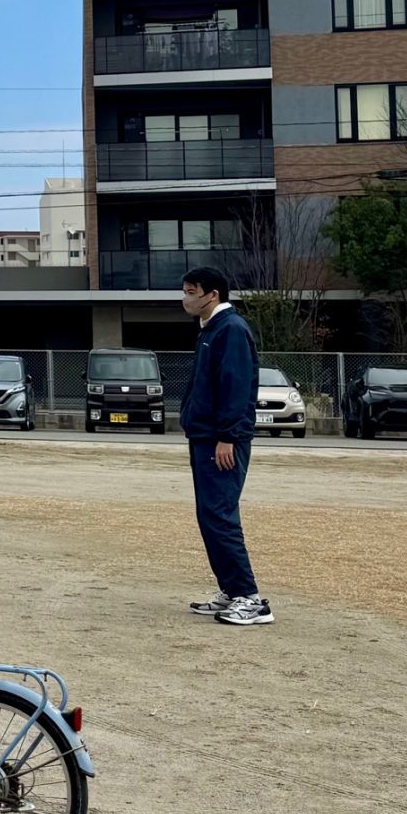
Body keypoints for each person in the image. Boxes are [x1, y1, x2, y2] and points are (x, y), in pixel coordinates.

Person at [178, 265, 270, 626]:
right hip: (205, 436)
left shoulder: (230, 330)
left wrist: (228, 436)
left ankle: (250, 598)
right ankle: (232, 591)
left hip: (221, 440)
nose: (185, 298)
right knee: (210, 516)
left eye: (190, 291)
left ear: (211, 294)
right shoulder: (211, 330)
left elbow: (235, 386)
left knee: (220, 515)